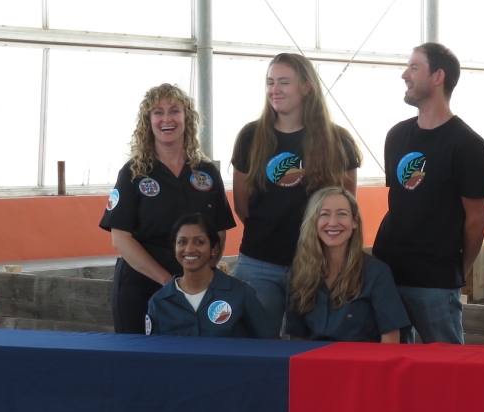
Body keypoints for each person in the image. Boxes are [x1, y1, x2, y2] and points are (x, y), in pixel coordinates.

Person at [230, 53, 361, 330]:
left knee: (313, 351)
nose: (274, 90)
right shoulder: (250, 137)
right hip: (259, 264)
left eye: (284, 82)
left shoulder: (338, 141)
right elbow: (243, 206)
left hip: (318, 265)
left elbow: (347, 208)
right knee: (257, 349)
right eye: (270, 82)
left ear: (306, 87)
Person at [372, 42, 484, 345]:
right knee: (393, 369)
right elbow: (403, 201)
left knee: (448, 373)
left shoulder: (468, 145)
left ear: (438, 77)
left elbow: (477, 221)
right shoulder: (396, 135)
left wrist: (454, 272)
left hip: (436, 284)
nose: (404, 75)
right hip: (388, 275)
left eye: (413, 67)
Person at [100, 83, 236, 334]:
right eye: (158, 112)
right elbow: (120, 238)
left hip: (197, 291)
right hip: (142, 289)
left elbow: (219, 230)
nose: (166, 119)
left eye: (174, 111)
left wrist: (202, 278)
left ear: (187, 118)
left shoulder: (206, 171)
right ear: (148, 121)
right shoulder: (133, 172)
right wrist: (169, 283)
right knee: (140, 367)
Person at [284, 187, 410, 342]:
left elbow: (390, 338)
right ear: (313, 222)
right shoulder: (299, 274)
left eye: (342, 214)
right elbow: (297, 337)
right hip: (316, 363)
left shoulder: (377, 273)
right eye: (324, 214)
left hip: (362, 364)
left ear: (354, 222)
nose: (333, 223)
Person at [146, 214, 278, 339]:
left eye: (199, 242)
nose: (189, 249)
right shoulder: (159, 302)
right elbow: (154, 354)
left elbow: (270, 342)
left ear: (214, 249)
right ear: (174, 248)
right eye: (182, 242)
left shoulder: (240, 293)